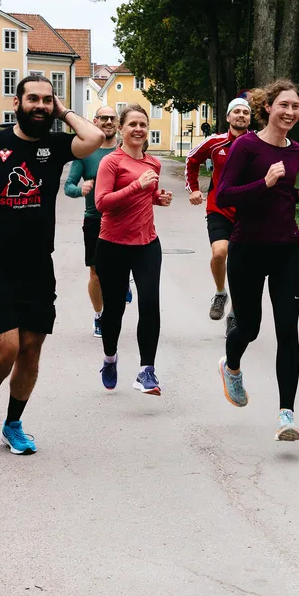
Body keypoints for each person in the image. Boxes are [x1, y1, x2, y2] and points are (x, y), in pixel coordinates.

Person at [0, 75, 105, 455]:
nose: (40, 106)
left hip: (38, 264)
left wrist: (64, 111)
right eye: (33, 99)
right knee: (5, 348)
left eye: (47, 100)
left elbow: (95, 139)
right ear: (16, 103)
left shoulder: (55, 145)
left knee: (31, 351)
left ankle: (14, 424)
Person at [215, 80, 299, 441]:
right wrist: (266, 184)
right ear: (268, 107)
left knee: (288, 331)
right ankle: (232, 365)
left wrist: (295, 190)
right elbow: (225, 194)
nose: (290, 112)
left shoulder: (296, 150)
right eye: (284, 105)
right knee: (251, 328)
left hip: (286, 249)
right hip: (247, 248)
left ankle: (286, 414)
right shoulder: (246, 146)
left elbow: (281, 191)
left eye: (296, 107)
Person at [94, 104, 174, 395]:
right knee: (114, 310)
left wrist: (158, 198)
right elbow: (102, 203)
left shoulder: (154, 163)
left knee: (150, 303)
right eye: (132, 124)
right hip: (113, 245)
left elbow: (148, 195)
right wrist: (137, 186)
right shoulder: (111, 162)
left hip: (147, 244)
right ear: (121, 129)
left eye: (143, 124)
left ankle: (146, 371)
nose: (138, 129)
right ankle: (110, 358)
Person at [186, 98, 251, 332]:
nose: (241, 115)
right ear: (228, 117)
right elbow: (191, 160)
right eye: (236, 112)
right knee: (220, 253)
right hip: (219, 208)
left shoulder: (256, 143)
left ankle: (234, 313)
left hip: (248, 213)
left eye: (245, 112)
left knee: (243, 265)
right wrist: (193, 188)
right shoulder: (215, 142)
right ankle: (220, 293)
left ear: (250, 118)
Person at [64, 106, 119, 337]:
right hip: (95, 219)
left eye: (112, 118)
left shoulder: (125, 151)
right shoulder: (85, 154)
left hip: (123, 218)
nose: (107, 122)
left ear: (117, 123)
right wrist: (81, 189)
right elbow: (68, 186)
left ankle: (124, 283)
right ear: (95, 122)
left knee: (119, 270)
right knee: (96, 273)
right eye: (103, 118)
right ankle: (100, 315)